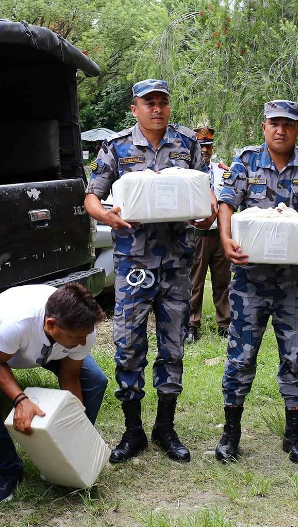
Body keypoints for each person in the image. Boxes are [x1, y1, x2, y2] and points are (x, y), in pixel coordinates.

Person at [83, 79, 214, 464]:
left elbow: (205, 196)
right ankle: (133, 430)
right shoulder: (117, 146)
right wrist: (104, 214)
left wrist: (206, 214)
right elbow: (92, 195)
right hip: (134, 263)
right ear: (135, 107)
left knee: (173, 346)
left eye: (163, 102)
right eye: (149, 103)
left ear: (169, 106)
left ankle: (165, 428)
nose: (157, 109)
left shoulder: (189, 144)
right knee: (128, 345)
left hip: (176, 263)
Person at [214, 100, 298, 464]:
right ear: (264, 126)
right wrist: (225, 239)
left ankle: (293, 434)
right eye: (274, 124)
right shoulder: (246, 160)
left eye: (288, 124)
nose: (280, 130)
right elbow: (226, 202)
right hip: (249, 280)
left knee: (296, 356)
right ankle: (231, 432)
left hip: (294, 283)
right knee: (241, 355)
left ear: (297, 129)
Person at [0, 283, 106, 504]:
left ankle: (69, 456)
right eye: (78, 337)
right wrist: (21, 400)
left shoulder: (82, 331)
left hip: (46, 345)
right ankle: (9, 471)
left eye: (85, 336)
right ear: (51, 325)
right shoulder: (15, 322)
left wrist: (74, 415)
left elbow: (69, 376)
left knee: (96, 380)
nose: (83, 342)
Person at [186, 126, 231, 343]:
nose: (204, 150)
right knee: (195, 282)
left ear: (212, 149)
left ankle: (225, 324)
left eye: (208, 146)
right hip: (197, 235)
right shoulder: (188, 174)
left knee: (223, 282)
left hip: (220, 235)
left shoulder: (224, 171)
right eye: (201, 146)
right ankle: (192, 326)